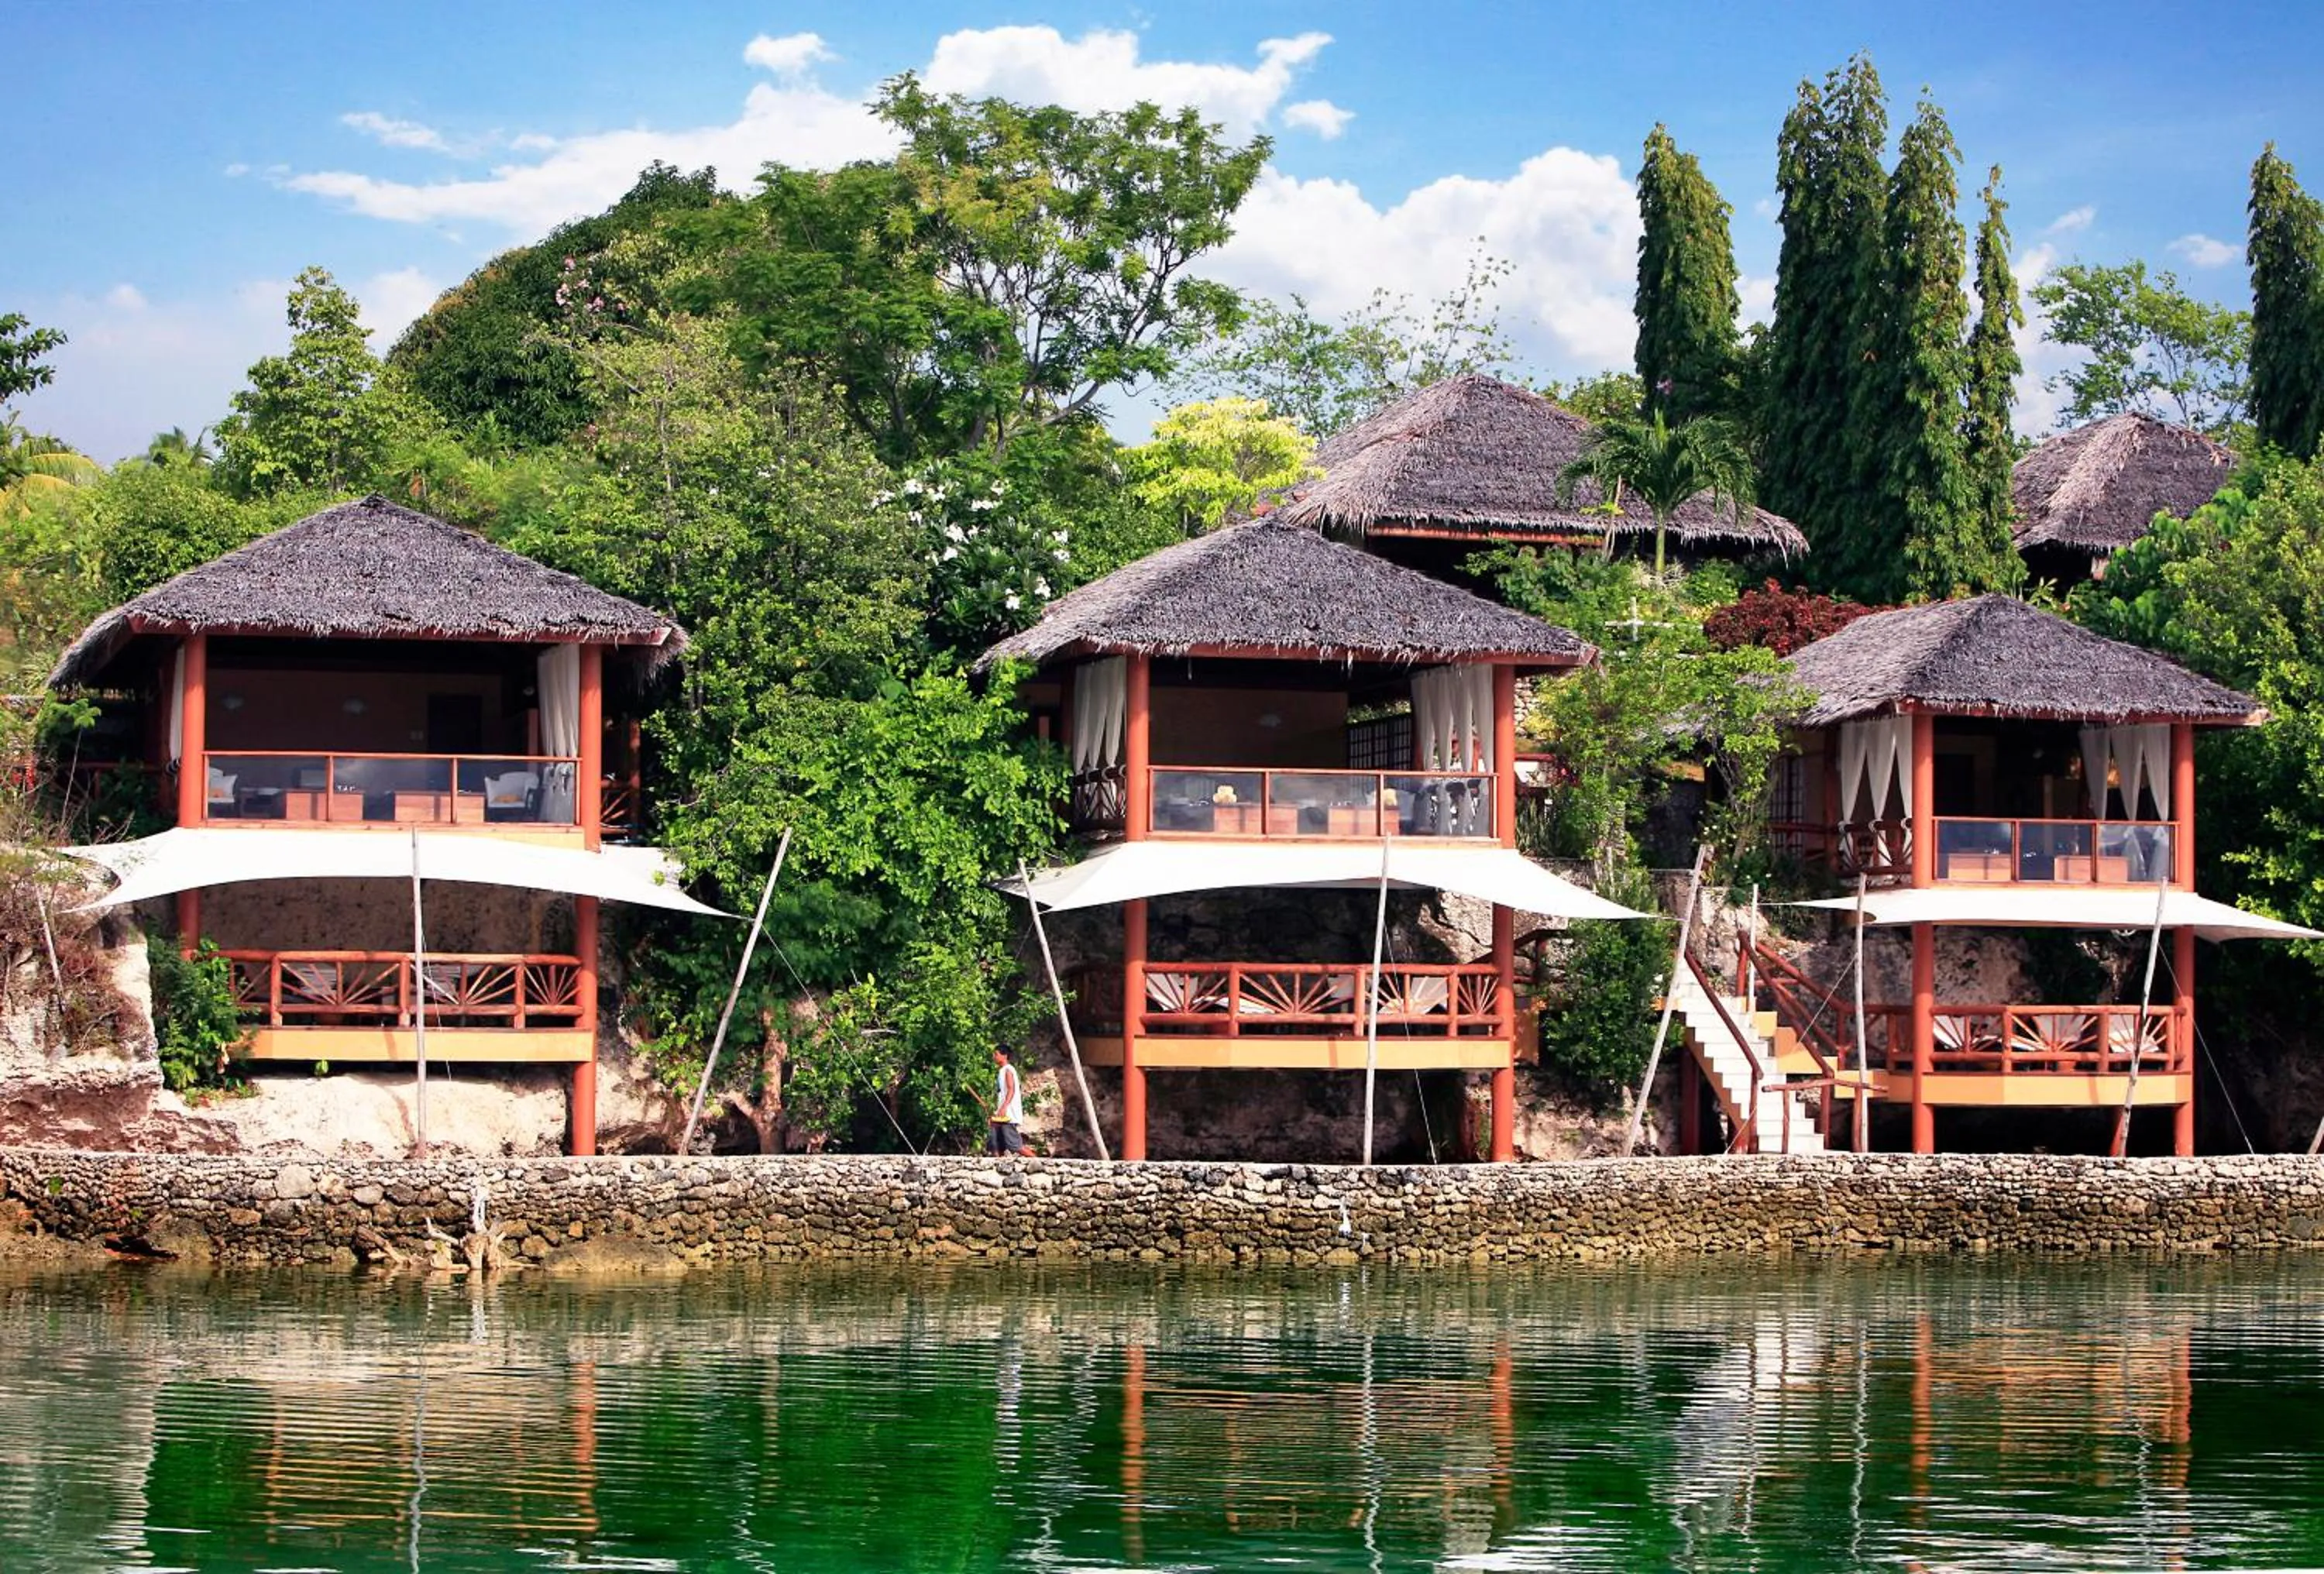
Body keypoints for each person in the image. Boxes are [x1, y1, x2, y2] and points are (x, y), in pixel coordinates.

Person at [981, 1046, 1026, 1156]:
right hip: (1002, 1113)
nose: (994, 1057)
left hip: (1008, 1114)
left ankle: (1040, 1162)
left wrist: (1004, 1107)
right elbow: (1002, 1093)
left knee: (1014, 1145)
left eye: (996, 1054)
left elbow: (1011, 1089)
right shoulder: (1002, 1071)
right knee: (994, 1141)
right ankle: (996, 1163)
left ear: (1004, 1056)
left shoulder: (1008, 1070)